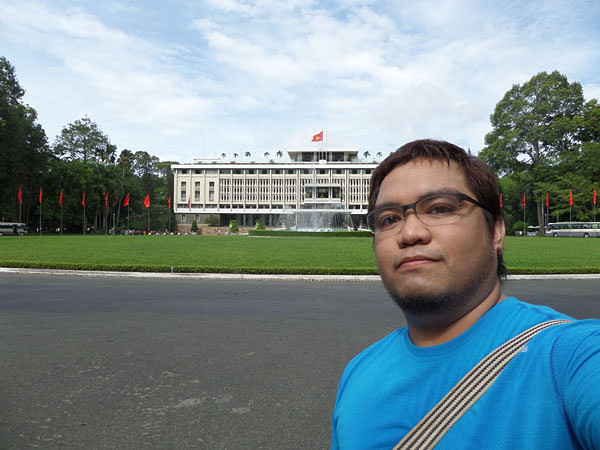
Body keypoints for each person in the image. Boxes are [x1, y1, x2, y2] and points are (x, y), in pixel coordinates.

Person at [331, 139, 600, 449]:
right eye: (389, 219)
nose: (410, 233)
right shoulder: (358, 373)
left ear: (497, 230)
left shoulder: (568, 356)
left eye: (440, 208)